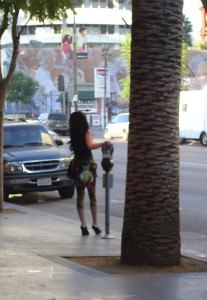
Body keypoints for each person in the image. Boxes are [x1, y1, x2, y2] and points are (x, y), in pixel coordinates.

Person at [69, 111, 107, 236]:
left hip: (77, 166)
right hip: (87, 167)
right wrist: (103, 143)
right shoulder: (86, 132)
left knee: (80, 196)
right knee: (92, 196)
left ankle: (83, 225)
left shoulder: (73, 134)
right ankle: (95, 224)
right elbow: (90, 145)